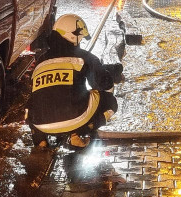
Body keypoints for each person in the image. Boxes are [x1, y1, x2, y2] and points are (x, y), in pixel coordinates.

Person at [26, 13, 122, 148]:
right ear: (73, 36)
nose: (80, 42)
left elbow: (36, 93)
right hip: (74, 120)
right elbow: (102, 83)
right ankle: (78, 132)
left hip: (40, 124)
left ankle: (40, 140)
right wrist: (111, 74)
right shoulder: (84, 57)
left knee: (33, 101)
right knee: (109, 101)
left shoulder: (40, 60)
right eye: (80, 39)